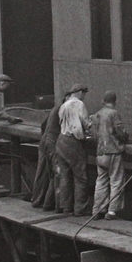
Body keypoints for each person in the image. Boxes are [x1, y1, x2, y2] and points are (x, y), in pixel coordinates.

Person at [52, 83, 91, 215]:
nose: (84, 96)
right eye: (84, 93)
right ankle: (80, 209)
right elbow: (85, 122)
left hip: (61, 140)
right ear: (79, 92)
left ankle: (66, 207)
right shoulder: (79, 104)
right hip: (73, 142)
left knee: (65, 176)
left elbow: (61, 122)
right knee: (80, 177)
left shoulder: (64, 105)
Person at [91, 90, 129, 219]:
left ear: (103, 101)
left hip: (100, 152)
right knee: (116, 181)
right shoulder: (114, 113)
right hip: (113, 152)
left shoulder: (97, 115)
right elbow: (120, 131)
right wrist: (125, 138)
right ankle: (112, 211)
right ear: (115, 102)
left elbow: (93, 134)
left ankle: (97, 210)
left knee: (101, 182)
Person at [29, 95, 62, 210]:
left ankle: (36, 199)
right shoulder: (63, 109)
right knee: (56, 173)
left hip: (44, 142)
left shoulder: (54, 109)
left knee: (41, 171)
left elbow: (43, 125)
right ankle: (51, 204)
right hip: (52, 142)